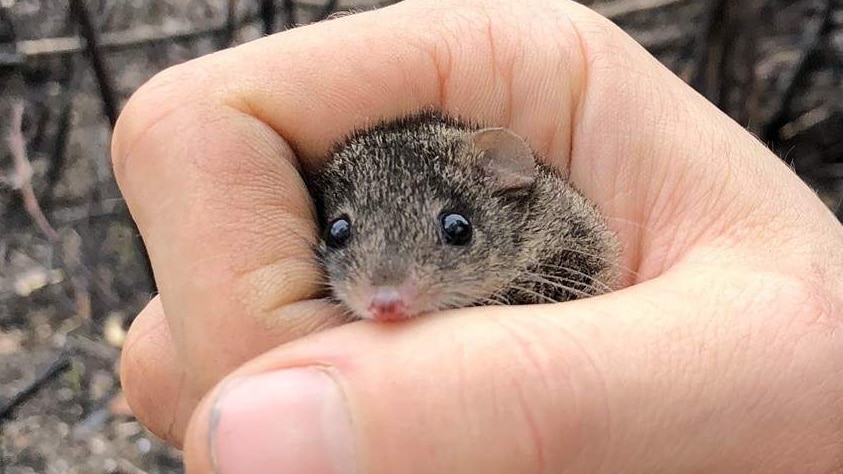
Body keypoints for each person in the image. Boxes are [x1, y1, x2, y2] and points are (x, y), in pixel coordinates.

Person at [111, 0, 843, 472]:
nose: (387, 287)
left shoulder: (560, 239)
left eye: (453, 232)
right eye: (341, 233)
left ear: (502, 191)